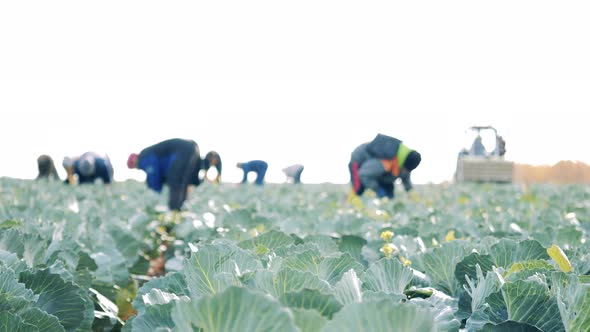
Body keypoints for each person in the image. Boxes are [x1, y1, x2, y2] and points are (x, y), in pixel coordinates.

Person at [127, 138, 201, 211]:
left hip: (182, 150)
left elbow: (153, 173)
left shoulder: (144, 158)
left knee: (175, 181)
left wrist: (154, 189)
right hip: (193, 148)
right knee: (183, 182)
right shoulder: (147, 153)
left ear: (134, 162)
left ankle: (174, 212)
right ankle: (182, 209)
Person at [349, 133, 421, 199]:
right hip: (358, 162)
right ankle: (349, 205)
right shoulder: (387, 160)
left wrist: (413, 195)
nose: (405, 172)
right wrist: (378, 189)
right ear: (404, 166)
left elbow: (406, 179)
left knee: (389, 194)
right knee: (358, 189)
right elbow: (363, 174)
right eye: (405, 169)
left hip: (376, 172)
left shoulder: (404, 161)